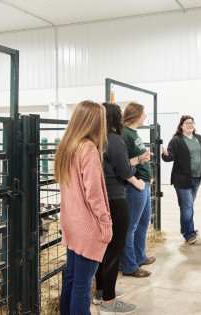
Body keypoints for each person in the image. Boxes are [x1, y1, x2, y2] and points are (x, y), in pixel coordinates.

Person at [56, 100, 112, 315]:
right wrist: (105, 221)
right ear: (94, 122)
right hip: (87, 226)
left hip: (71, 222)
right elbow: (94, 193)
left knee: (71, 278)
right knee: (82, 284)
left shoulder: (67, 146)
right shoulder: (87, 149)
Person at [93, 102, 146, 314]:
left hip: (101, 197)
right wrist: (135, 165)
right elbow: (125, 170)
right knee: (115, 249)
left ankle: (100, 292)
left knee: (102, 248)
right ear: (116, 118)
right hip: (115, 197)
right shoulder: (114, 140)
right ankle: (109, 301)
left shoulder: (94, 139)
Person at [161, 115, 201, 244]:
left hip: (197, 177)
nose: (190, 125)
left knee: (188, 205)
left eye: (192, 123)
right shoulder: (176, 140)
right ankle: (189, 234)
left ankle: (186, 228)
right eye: (187, 123)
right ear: (181, 126)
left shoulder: (199, 138)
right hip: (182, 178)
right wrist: (165, 155)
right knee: (187, 205)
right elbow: (170, 156)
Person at [120, 102, 156, 278]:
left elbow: (136, 158)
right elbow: (123, 162)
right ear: (136, 115)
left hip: (143, 183)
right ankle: (129, 266)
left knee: (143, 222)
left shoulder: (134, 133)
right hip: (135, 186)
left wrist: (145, 165)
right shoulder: (125, 134)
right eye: (143, 113)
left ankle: (140, 256)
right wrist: (140, 160)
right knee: (131, 227)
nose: (145, 117)